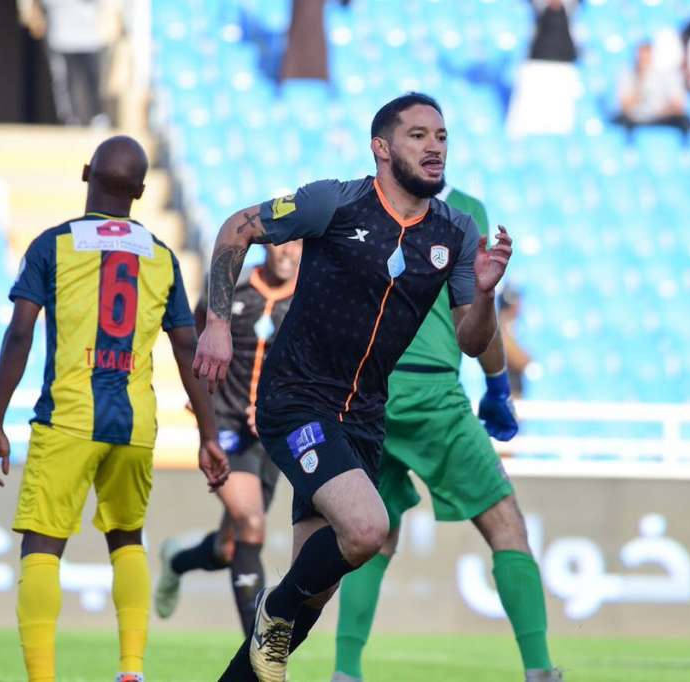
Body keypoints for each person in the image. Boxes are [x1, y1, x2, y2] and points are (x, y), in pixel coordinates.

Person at [193, 92, 512, 682]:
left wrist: (487, 293)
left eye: (441, 136)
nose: (435, 146)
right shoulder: (333, 202)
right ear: (382, 148)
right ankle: (273, 607)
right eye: (418, 136)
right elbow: (237, 227)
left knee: (305, 607)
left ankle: (257, 645)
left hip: (365, 416)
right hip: (296, 400)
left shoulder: (457, 231)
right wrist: (214, 322)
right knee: (368, 528)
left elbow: (471, 340)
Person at [0, 135, 230, 682]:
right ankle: (132, 670)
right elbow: (187, 348)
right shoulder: (161, 257)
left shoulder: (53, 245)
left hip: (68, 418)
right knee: (127, 539)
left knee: (43, 546)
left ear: (87, 172)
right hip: (135, 424)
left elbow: (21, 332)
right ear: (141, 191)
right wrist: (209, 435)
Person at [331, 186, 560, 682]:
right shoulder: (467, 211)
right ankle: (540, 669)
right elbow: (479, 316)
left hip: (369, 391)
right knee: (507, 526)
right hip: (433, 391)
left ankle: (345, 672)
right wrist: (497, 387)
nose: (434, 145)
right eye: (426, 136)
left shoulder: (357, 206)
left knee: (376, 534)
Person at [154, 240, 302, 636]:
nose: (288, 253)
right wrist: (202, 394)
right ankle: (257, 655)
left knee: (231, 547)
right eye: (281, 245)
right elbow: (195, 332)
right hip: (225, 424)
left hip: (273, 435)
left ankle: (178, 559)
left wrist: (279, 404)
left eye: (297, 245)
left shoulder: (310, 298)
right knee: (251, 522)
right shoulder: (232, 287)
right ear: (266, 247)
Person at [615, 41, 690, 136]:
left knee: (685, 121)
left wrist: (660, 112)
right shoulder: (628, 73)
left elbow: (678, 106)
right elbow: (625, 106)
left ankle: (685, 149)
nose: (643, 59)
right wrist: (640, 81)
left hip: (662, 117)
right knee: (621, 121)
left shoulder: (667, 74)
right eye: (640, 56)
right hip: (636, 118)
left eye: (647, 55)